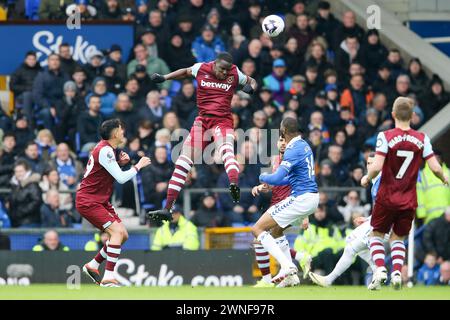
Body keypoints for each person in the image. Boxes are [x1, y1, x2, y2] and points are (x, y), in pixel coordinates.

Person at [147, 52, 257, 221]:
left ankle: (233, 183)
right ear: (214, 64)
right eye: (222, 70)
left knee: (226, 149)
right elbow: (185, 71)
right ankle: (167, 208)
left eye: (227, 71)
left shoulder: (234, 72)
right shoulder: (201, 68)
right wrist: (164, 77)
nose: (225, 74)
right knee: (183, 161)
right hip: (203, 121)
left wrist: (251, 87)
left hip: (223, 121)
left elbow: (252, 81)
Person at [361, 97, 448, 290]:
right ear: (413, 116)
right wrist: (443, 178)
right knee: (398, 237)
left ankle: (382, 269)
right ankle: (398, 272)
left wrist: (367, 177)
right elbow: (434, 166)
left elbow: (377, 165)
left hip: (386, 196)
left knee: (376, 234)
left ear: (393, 115)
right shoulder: (422, 138)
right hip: (408, 198)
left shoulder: (386, 136)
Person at [76, 119, 151, 287]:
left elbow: (103, 172)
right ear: (115, 133)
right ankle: (109, 277)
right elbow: (122, 178)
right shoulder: (105, 150)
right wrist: (138, 166)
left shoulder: (106, 149)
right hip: (89, 200)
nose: (123, 132)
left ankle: (93, 265)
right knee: (116, 232)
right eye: (121, 129)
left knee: (123, 235)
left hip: (100, 200)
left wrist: (119, 164)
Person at [251, 118, 319, 286]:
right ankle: (290, 275)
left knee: (257, 228)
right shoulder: (304, 145)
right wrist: (271, 183)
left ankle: (287, 266)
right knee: (276, 231)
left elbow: (277, 177)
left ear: (284, 131)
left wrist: (262, 177)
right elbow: (288, 180)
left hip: (301, 198)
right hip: (309, 197)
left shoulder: (292, 149)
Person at [309, 153, 382, 288]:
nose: (369, 166)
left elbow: (388, 208)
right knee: (350, 238)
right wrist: (367, 218)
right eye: (368, 163)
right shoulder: (375, 180)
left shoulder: (383, 181)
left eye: (372, 163)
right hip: (376, 220)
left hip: (384, 224)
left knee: (350, 249)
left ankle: (329, 280)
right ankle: (377, 270)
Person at [7, 160, 42, 228]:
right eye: (16, 171)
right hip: (16, 222)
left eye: (21, 171)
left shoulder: (32, 185)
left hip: (30, 222)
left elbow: (36, 201)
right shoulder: (15, 186)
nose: (18, 174)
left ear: (27, 171)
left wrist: (20, 212)